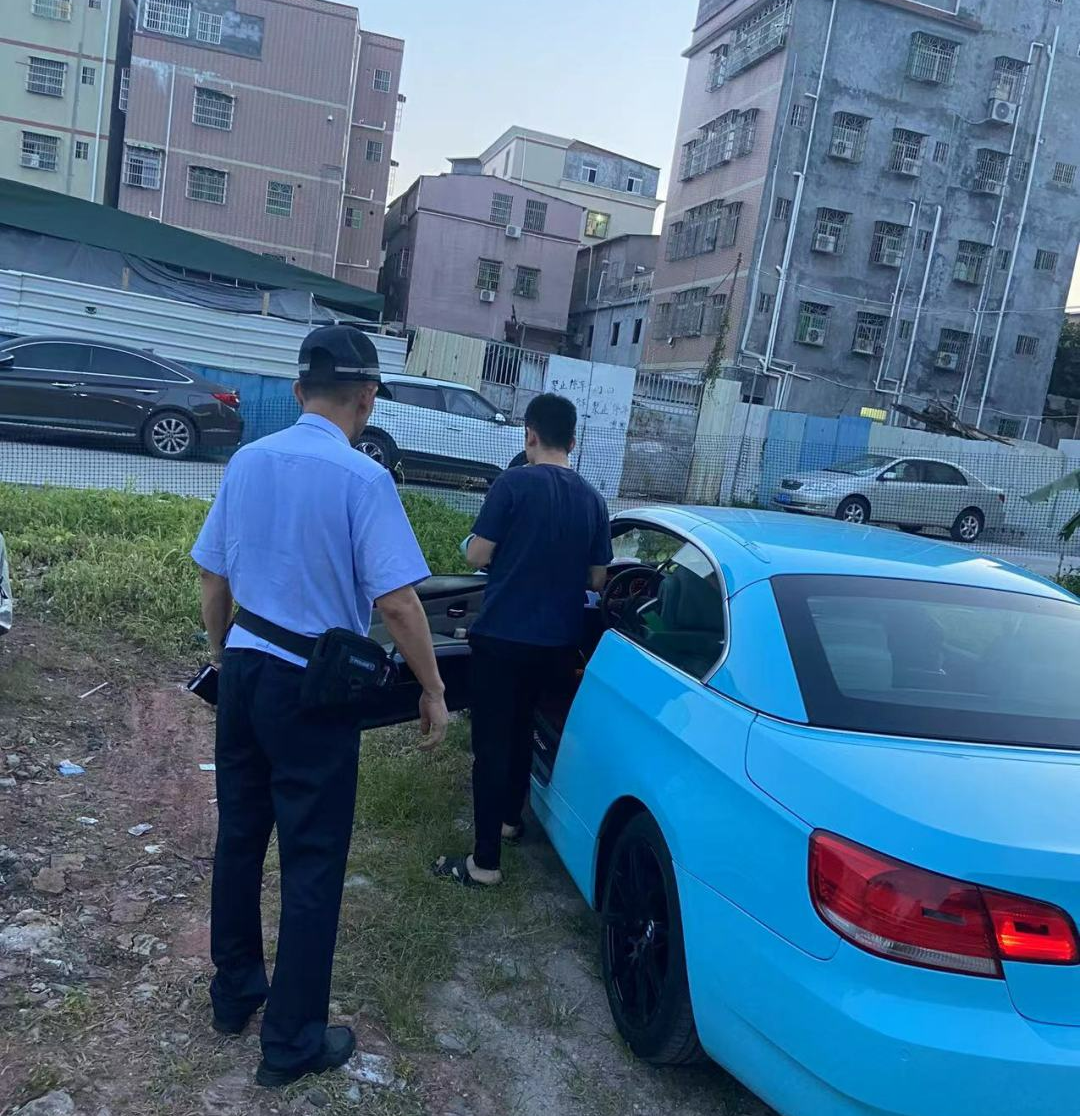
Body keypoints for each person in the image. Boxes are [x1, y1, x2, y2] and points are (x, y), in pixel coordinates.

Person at [191, 325, 449, 1088]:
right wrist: (433, 690)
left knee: (240, 838)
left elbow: (213, 578)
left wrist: (222, 657)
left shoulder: (248, 460)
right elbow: (398, 604)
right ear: (367, 399)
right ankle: (291, 1041)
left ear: (300, 391)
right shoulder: (363, 479)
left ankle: (234, 994)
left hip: (245, 665)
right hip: (313, 686)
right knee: (311, 861)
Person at [434, 393, 612, 888]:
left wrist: (492, 550)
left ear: (529, 434)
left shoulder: (512, 484)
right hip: (558, 644)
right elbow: (598, 579)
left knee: (492, 744)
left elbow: (476, 555)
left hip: (503, 638)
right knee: (523, 734)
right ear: (573, 441)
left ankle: (484, 864)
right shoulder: (593, 500)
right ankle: (511, 821)